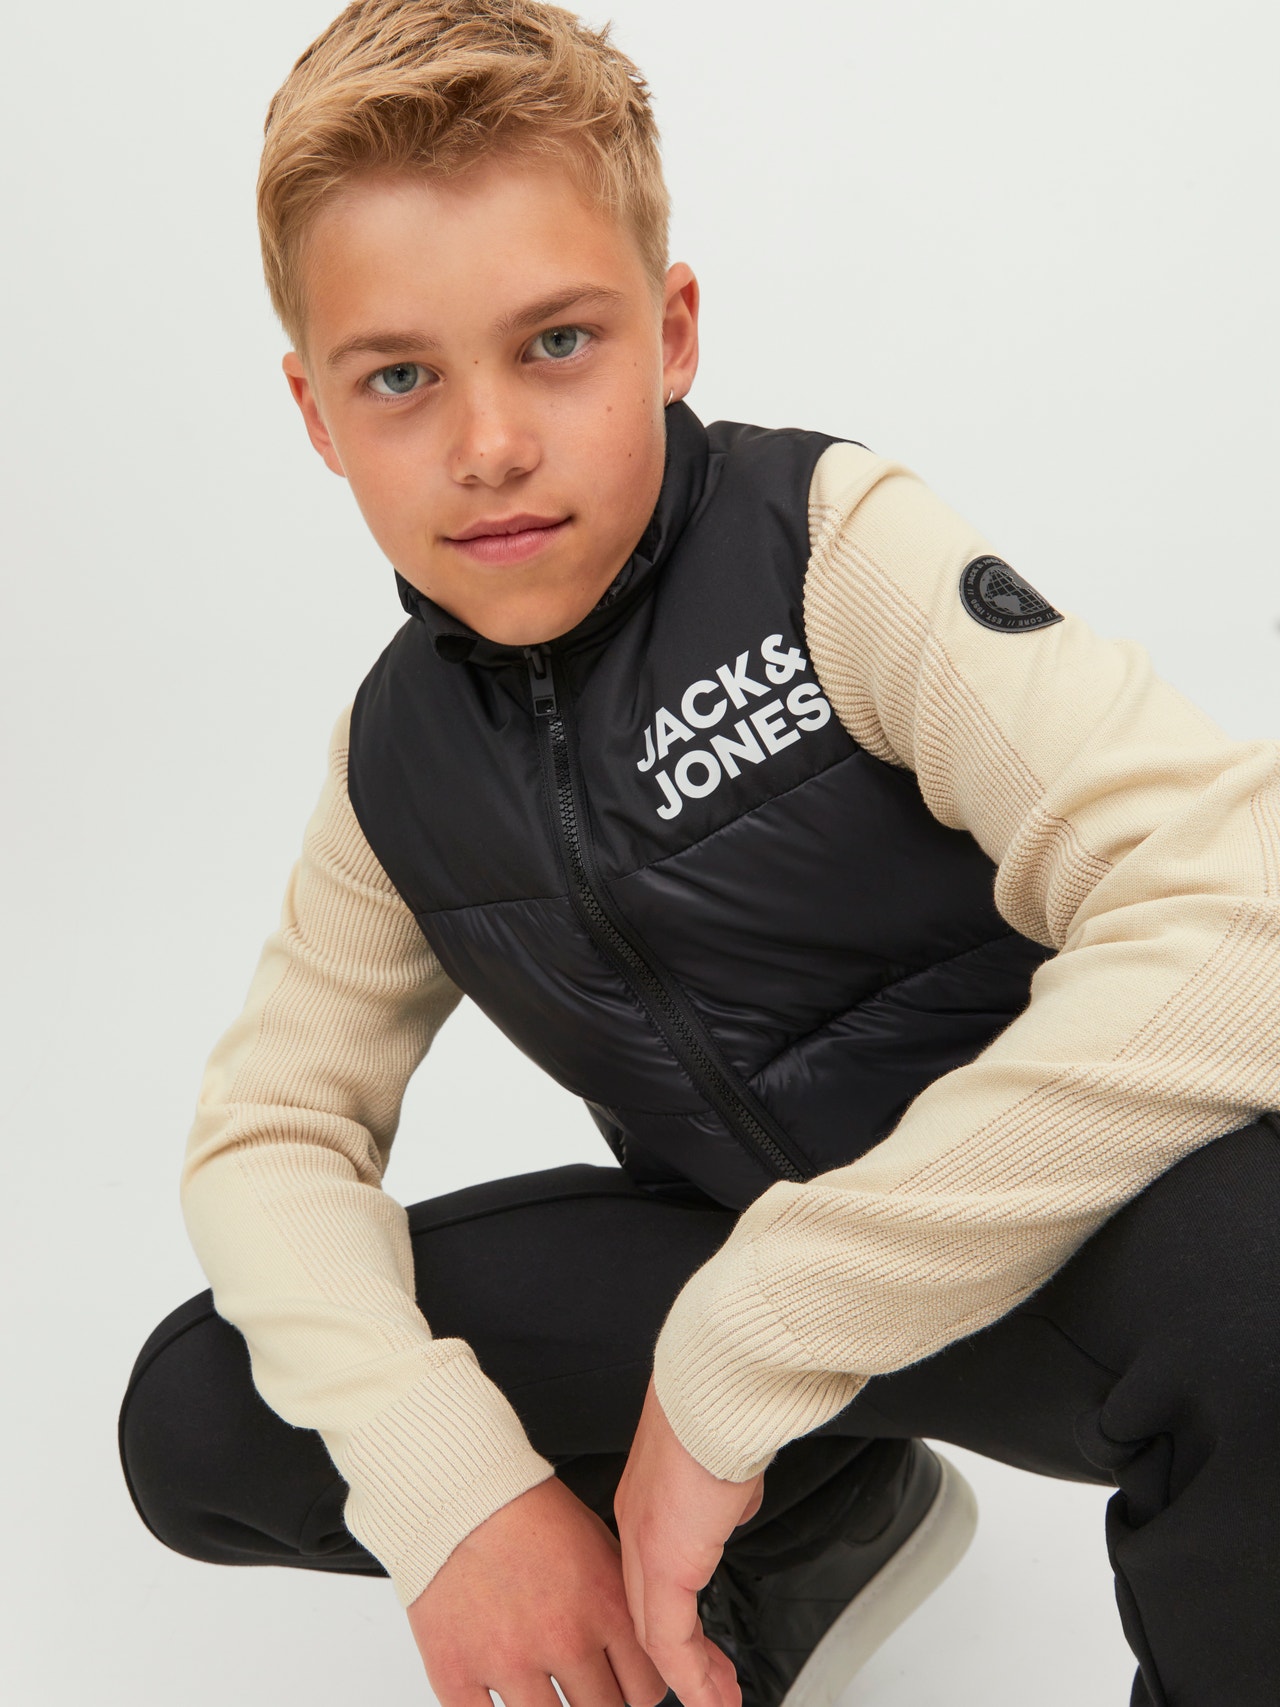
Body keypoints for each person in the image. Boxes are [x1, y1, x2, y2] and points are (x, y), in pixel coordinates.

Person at [116, 3, 1280, 1705]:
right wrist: (456, 1492)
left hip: (1074, 1245)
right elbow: (271, 1138)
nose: (489, 443)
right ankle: (815, 1524)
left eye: (556, 343)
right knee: (210, 1413)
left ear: (671, 331)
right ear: (315, 411)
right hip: (746, 1278)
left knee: (1266, 1292)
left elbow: (1244, 916)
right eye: (401, 378)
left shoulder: (830, 552)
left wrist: (763, 1331)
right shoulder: (397, 762)